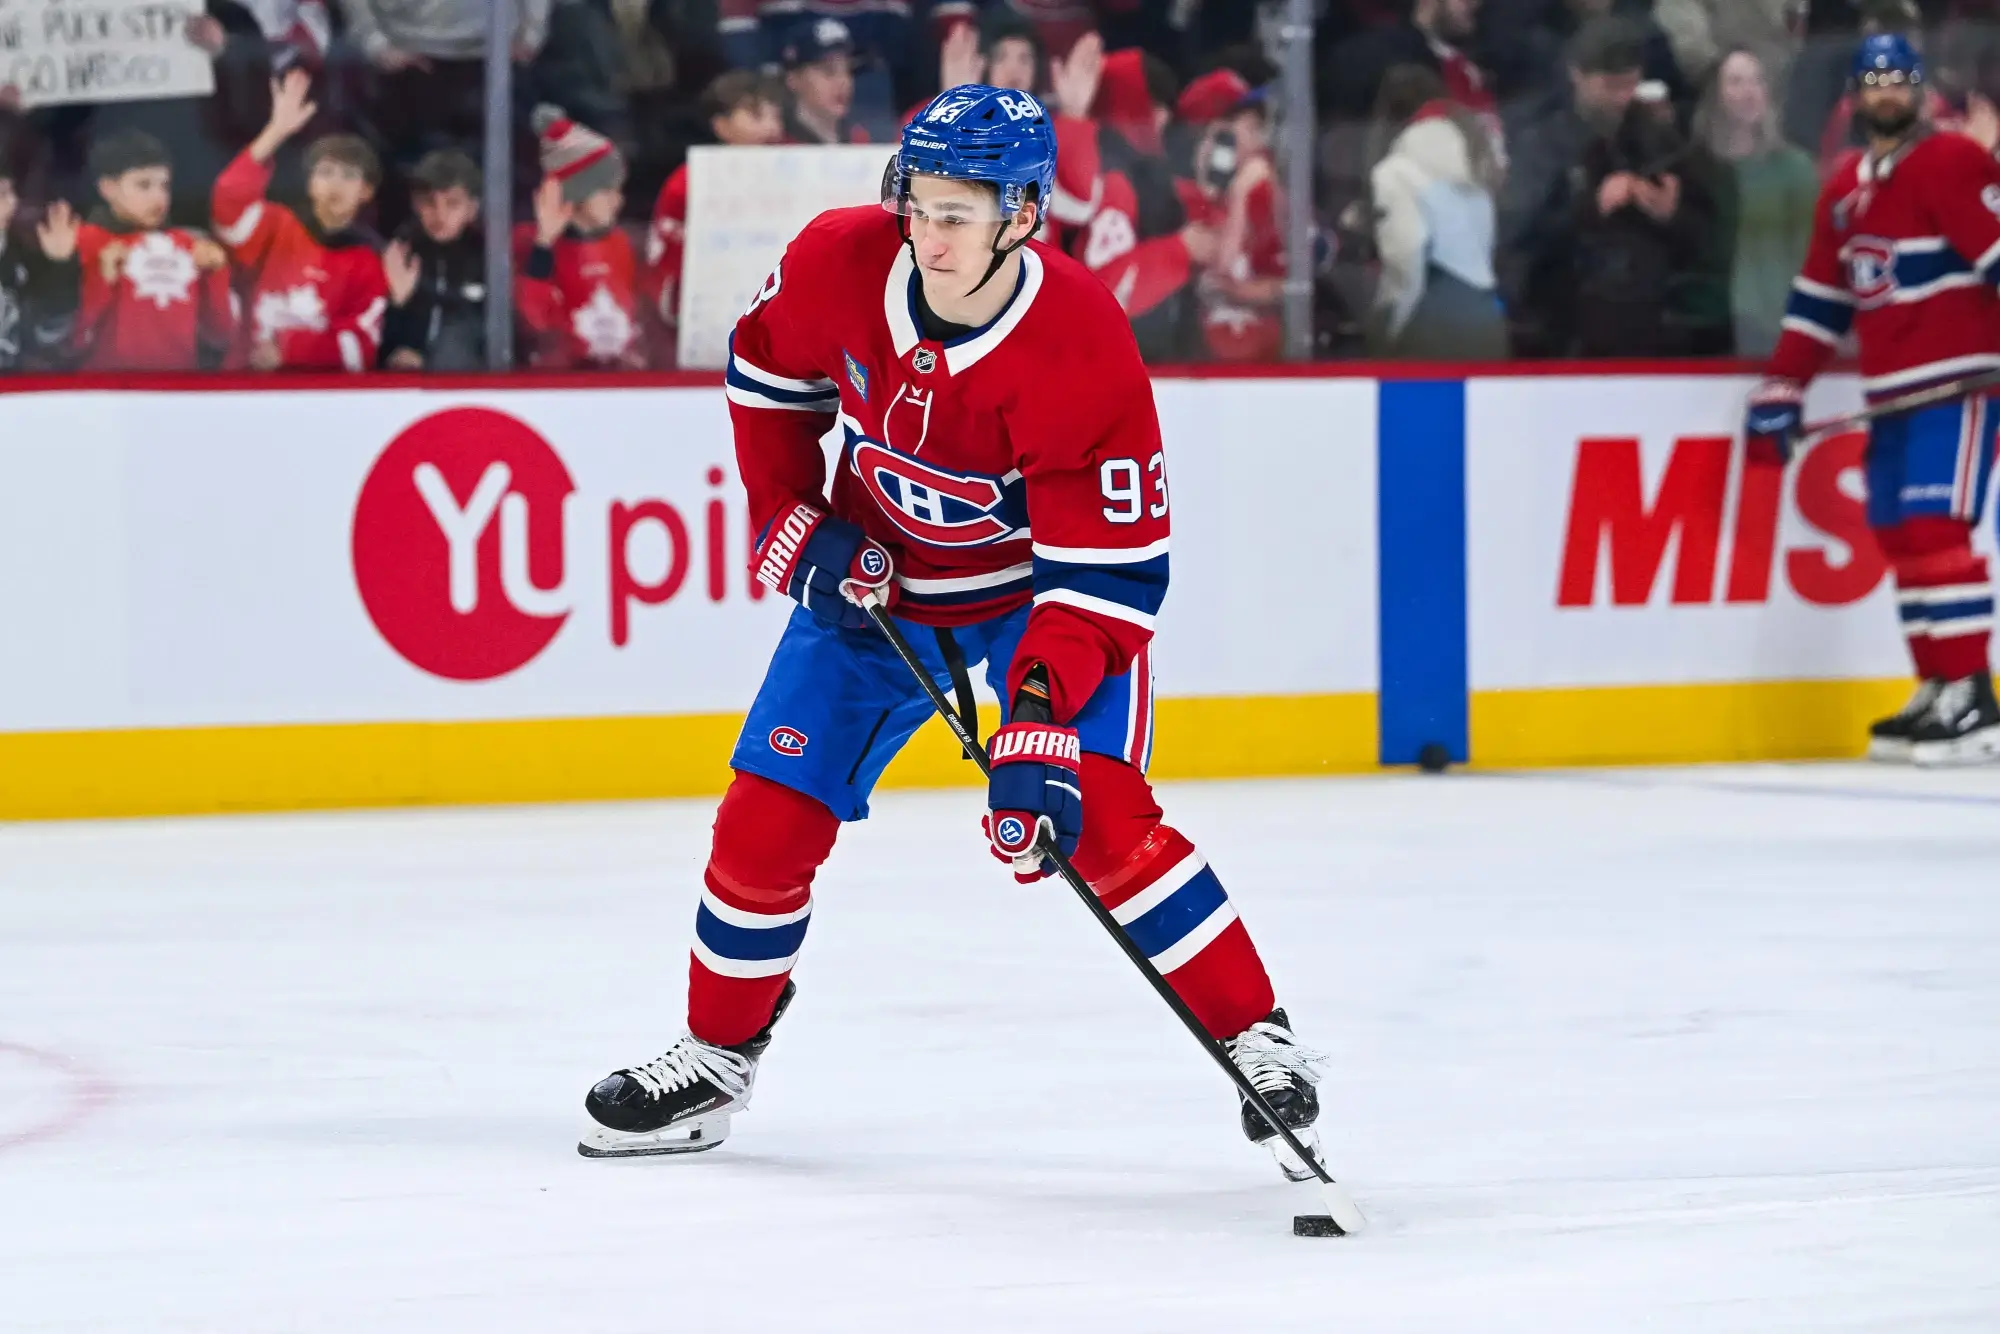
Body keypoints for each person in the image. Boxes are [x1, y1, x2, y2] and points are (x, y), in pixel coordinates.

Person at [579, 84, 1329, 1184]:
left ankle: (1258, 1038)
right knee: (760, 824)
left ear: (1022, 215)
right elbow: (765, 383)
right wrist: (793, 517)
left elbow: (1110, 573)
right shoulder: (837, 261)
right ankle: (713, 1057)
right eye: (917, 205)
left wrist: (1032, 717)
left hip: (1034, 604)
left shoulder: (1079, 341)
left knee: (1100, 815)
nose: (927, 235)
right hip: (877, 599)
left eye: (957, 214)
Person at [1745, 34, 2000, 764]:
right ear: (1854, 96)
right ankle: (1937, 684)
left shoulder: (1952, 161)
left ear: (1920, 91)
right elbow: (1819, 302)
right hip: (1892, 395)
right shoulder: (1845, 188)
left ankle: (1976, 698)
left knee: (1934, 527)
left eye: (1900, 81)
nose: (1887, 94)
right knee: (1896, 532)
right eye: (1873, 82)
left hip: (1961, 384)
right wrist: (1782, 384)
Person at [213, 70, 388, 372]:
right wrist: (276, 131)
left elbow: (360, 348)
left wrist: (288, 352)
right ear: (309, 184)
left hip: (315, 399)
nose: (336, 184)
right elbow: (228, 200)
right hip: (243, 382)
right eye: (325, 172)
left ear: (366, 192)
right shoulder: (274, 225)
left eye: (348, 176)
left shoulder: (368, 259)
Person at [1367, 66, 1507, 359]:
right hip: (1486, 315)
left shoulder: (1396, 171)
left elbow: (1407, 257)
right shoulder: (1476, 164)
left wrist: (1389, 329)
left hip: (1429, 324)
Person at [645, 72, 784, 365]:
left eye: (775, 116)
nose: (771, 127)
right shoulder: (688, 183)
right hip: (708, 338)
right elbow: (666, 269)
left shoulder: (800, 174)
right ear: (721, 126)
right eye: (757, 115)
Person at [72, 131, 236, 372]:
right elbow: (69, 341)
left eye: (165, 186)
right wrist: (102, 279)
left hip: (176, 390)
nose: (159, 197)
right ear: (108, 188)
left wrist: (217, 273)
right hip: (106, 393)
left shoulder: (189, 245)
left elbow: (220, 335)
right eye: (144, 185)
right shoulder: (85, 241)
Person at [1693, 49, 1820, 357]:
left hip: (1775, 325)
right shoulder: (1697, 169)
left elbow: (1810, 254)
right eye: (1736, 82)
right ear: (1715, 96)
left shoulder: (1794, 167)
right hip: (1709, 325)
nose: (1748, 91)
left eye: (1757, 81)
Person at [515, 105, 645, 369]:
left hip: (627, 384)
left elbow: (648, 318)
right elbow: (536, 324)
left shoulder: (628, 243)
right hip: (563, 387)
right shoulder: (529, 244)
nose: (618, 201)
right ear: (576, 195)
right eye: (607, 191)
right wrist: (543, 244)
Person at [381, 150, 485, 372]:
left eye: (452, 203)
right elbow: (376, 343)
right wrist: (397, 303)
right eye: (428, 202)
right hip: (403, 387)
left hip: (471, 386)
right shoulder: (399, 254)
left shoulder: (490, 259)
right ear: (415, 205)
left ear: (472, 209)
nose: (439, 214)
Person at [0, 174, 79, 372]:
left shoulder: (21, 258)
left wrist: (60, 265)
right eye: (2, 194)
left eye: (11, 192)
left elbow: (48, 335)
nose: (13, 202)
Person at [781, 18, 870, 145]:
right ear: (793, 79)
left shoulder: (859, 138)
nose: (843, 82)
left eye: (848, 70)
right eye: (828, 71)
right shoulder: (776, 144)